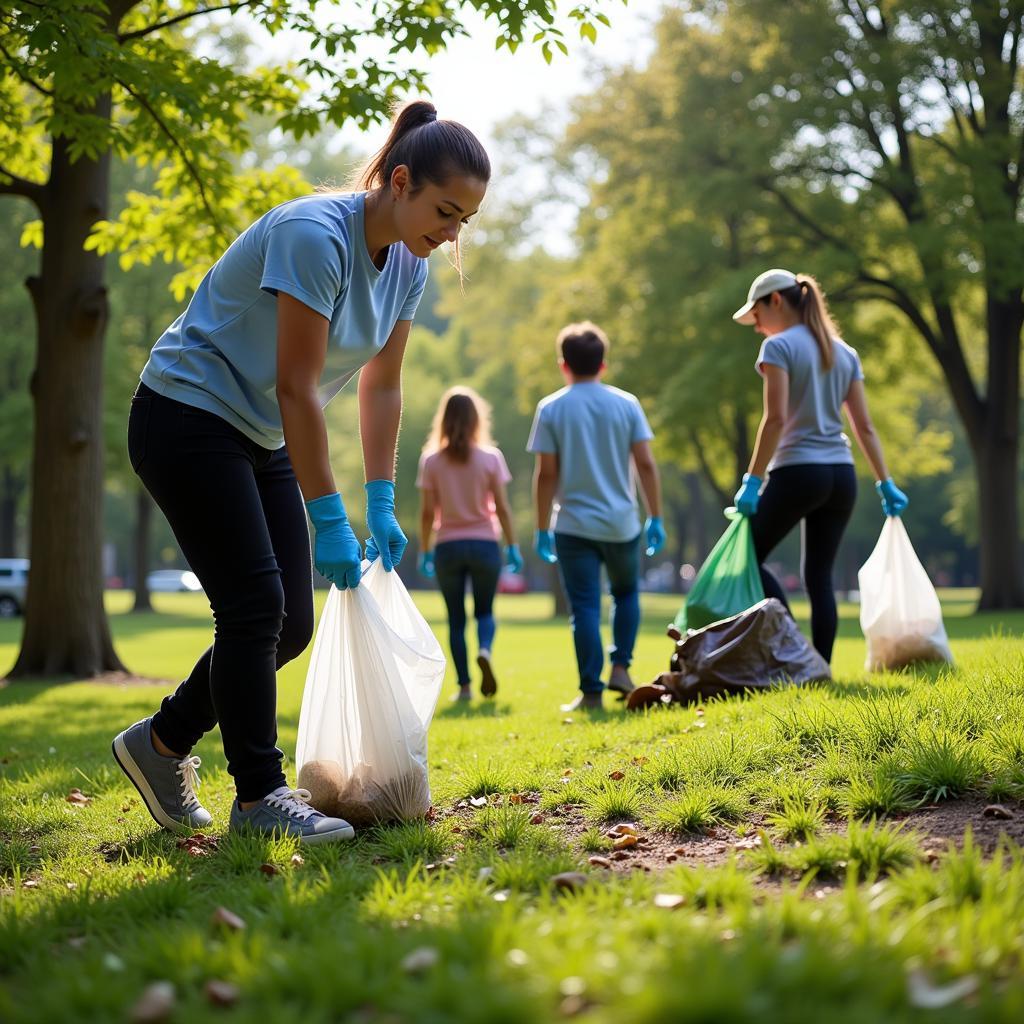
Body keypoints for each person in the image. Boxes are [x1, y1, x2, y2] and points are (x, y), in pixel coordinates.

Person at [112, 101, 489, 844]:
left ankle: (157, 744)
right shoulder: (314, 235)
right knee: (254, 605)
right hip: (186, 413)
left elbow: (382, 386)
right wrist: (328, 517)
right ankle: (259, 798)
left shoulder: (408, 266)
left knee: (288, 624)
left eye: (464, 222)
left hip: (257, 429)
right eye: (445, 212)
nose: (450, 235)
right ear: (401, 180)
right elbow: (297, 385)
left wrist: (379, 501)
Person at [731, 268, 908, 663]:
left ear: (775, 301)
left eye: (757, 317)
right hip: (841, 477)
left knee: (745, 558)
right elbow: (863, 426)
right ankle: (821, 666)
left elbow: (774, 419)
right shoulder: (845, 352)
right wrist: (885, 482)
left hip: (799, 470)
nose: (757, 328)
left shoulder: (779, 349)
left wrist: (752, 481)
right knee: (819, 576)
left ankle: (796, 652)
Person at [528, 322, 665, 712]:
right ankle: (621, 668)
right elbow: (646, 465)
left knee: (585, 606)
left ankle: (591, 692)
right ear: (603, 364)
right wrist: (655, 515)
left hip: (572, 525)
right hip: (622, 524)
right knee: (626, 594)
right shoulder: (626, 404)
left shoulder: (551, 408)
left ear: (563, 365)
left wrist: (541, 528)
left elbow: (547, 474)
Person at [416, 387, 522, 701]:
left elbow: (426, 513)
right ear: (477, 420)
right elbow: (502, 507)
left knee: (456, 619)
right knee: (485, 612)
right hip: (485, 545)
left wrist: (425, 550)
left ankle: (464, 687)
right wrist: (512, 544)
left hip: (448, 546)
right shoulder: (491, 458)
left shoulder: (431, 461)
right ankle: (485, 650)